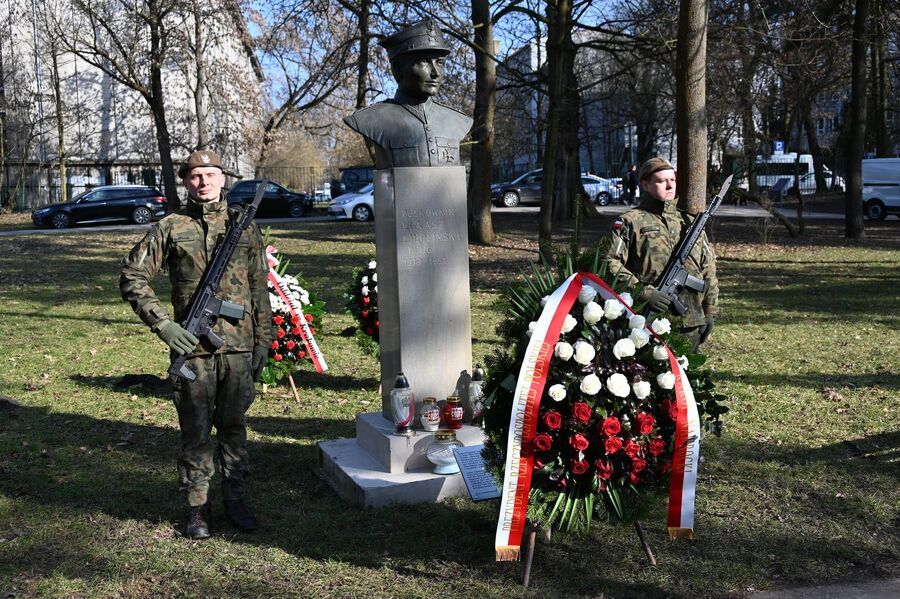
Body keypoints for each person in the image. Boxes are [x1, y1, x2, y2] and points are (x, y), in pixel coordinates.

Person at [119, 150, 273, 539]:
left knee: (235, 427)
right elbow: (133, 276)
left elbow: (259, 287)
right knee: (195, 431)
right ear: (186, 182)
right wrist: (164, 325)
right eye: (195, 176)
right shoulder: (171, 227)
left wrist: (263, 341)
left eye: (210, 174)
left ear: (223, 178)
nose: (203, 182)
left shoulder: (245, 227)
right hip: (193, 351)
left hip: (238, 348)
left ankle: (236, 499)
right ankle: (197, 508)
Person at [606, 157, 718, 351]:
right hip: (649, 322)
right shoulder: (630, 222)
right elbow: (609, 262)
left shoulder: (690, 223)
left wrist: (710, 310)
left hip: (691, 321)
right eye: (661, 181)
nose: (669, 185)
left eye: (672, 180)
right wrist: (644, 292)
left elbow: (708, 268)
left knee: (687, 379)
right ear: (645, 184)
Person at [344, 19, 472, 169]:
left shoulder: (458, 121)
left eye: (440, 62)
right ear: (397, 69)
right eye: (424, 61)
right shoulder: (370, 119)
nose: (435, 73)